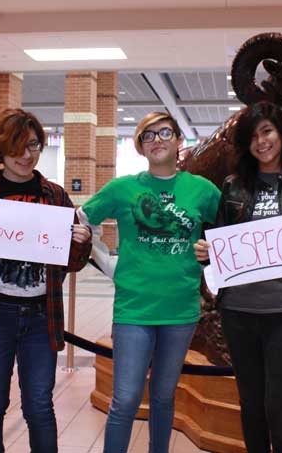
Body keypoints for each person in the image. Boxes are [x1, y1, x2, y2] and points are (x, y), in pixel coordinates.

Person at [0, 108, 91, 453]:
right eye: (18, 147)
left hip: (42, 316)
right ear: (1, 149)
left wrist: (82, 244)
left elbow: (71, 264)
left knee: (40, 406)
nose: (27, 155)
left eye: (34, 146)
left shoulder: (55, 196)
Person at [78, 112, 221, 453]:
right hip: (134, 310)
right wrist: (102, 260)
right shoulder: (123, 188)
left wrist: (209, 250)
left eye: (165, 132)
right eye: (148, 135)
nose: (157, 139)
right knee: (125, 399)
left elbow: (232, 231)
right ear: (140, 147)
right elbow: (81, 221)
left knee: (163, 396)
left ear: (178, 141)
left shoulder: (202, 190)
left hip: (181, 310)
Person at [193, 101, 282, 453]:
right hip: (238, 312)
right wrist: (207, 252)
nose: (261, 141)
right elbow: (220, 242)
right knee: (251, 405)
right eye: (253, 136)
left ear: (281, 134)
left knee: (281, 409)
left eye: (266, 131)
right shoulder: (233, 185)